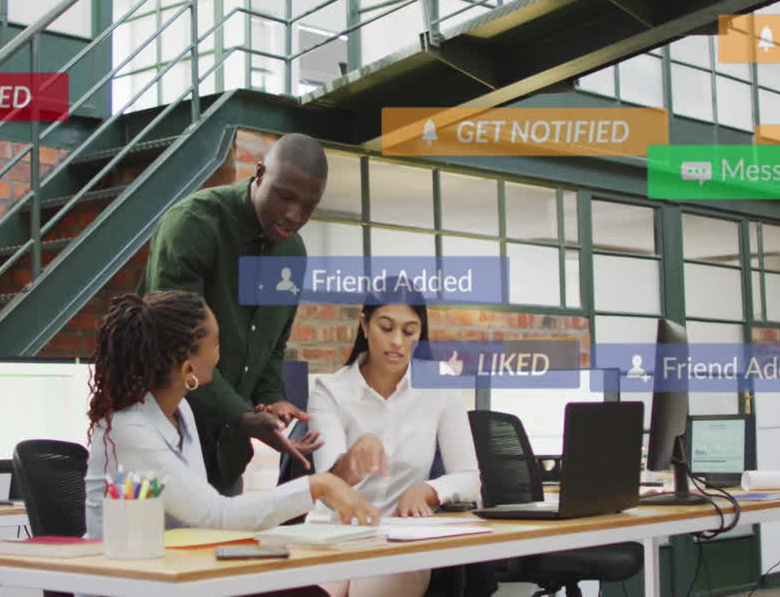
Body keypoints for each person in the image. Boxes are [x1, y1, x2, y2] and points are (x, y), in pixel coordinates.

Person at [83, 290, 380, 543]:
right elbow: (215, 515)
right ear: (188, 370)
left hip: (177, 573)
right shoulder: (128, 428)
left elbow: (201, 520)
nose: (219, 355)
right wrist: (320, 485)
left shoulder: (181, 411)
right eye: (215, 343)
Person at [141, 133, 328, 494]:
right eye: (285, 196)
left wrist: (272, 399)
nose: (294, 216)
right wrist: (241, 416)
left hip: (227, 461)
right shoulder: (193, 225)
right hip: (164, 449)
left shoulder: (292, 253)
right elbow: (176, 348)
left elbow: (271, 346)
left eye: (309, 206)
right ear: (260, 174)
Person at [306, 294, 482, 597]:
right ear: (364, 325)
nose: (397, 341)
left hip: (400, 540)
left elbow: (469, 478)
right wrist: (354, 459)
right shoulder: (329, 390)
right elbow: (326, 488)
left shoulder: (440, 388)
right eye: (386, 328)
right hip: (330, 534)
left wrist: (425, 491)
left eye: (409, 331)